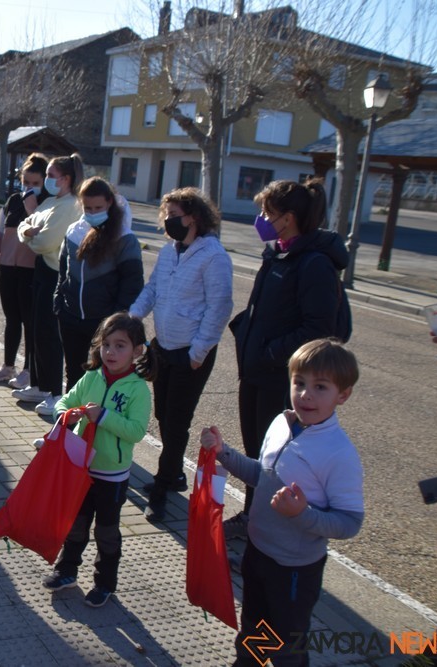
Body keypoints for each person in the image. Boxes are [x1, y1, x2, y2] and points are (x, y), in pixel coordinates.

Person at [201, 338, 363, 666]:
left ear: (342, 395)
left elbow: (349, 522)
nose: (306, 394)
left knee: (288, 646)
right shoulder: (281, 423)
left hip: (294, 569)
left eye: (320, 387)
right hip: (258, 552)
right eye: (299, 383)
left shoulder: (339, 453)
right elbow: (262, 476)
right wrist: (224, 453)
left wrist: (302, 513)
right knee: (254, 630)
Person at [227, 178, 348, 537]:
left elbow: (319, 328)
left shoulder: (313, 264)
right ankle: (251, 516)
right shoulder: (279, 252)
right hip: (255, 372)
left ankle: (264, 530)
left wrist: (270, 352)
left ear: (289, 217)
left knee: (275, 460)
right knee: (256, 452)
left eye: (269, 213)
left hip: (280, 377)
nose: (262, 219)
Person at [130, 187, 233, 522]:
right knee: (163, 415)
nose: (169, 221)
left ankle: (161, 489)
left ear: (195, 217)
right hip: (164, 347)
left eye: (175, 216)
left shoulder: (213, 256)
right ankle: (173, 474)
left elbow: (219, 308)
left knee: (176, 422)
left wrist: (200, 350)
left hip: (192, 354)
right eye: (166, 215)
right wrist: (131, 320)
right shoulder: (168, 252)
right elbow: (153, 289)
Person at [42, 312, 154, 607]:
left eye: (120, 346)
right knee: (75, 523)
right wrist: (66, 415)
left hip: (112, 475)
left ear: (137, 351)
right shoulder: (91, 377)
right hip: (81, 468)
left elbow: (136, 431)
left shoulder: (138, 390)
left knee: (106, 530)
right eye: (106, 345)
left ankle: (105, 582)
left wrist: (103, 416)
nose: (111, 352)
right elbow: (66, 401)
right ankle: (67, 571)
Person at [55, 177, 144, 417]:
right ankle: (67, 431)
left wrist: (112, 324)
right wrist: (59, 305)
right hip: (71, 317)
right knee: (73, 375)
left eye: (98, 208)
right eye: (87, 208)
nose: (92, 213)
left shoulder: (125, 239)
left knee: (98, 379)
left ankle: (94, 431)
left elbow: (132, 285)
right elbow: (63, 274)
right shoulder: (74, 231)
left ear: (110, 205)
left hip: (103, 326)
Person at [15, 154, 84, 416]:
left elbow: (45, 242)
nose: (47, 181)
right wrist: (28, 232)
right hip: (42, 269)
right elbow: (26, 224)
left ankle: (56, 392)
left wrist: (31, 236)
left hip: (56, 271)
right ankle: (40, 385)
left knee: (49, 334)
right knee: (36, 330)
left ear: (66, 179)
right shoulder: (49, 201)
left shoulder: (68, 205)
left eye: (52, 176)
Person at [0, 154, 49, 388]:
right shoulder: (12, 201)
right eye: (26, 182)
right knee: (12, 319)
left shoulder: (47, 205)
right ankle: (7, 366)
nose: (29, 188)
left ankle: (29, 371)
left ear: (44, 183)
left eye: (35, 184)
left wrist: (33, 209)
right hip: (9, 269)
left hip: (33, 271)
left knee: (31, 322)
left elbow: (45, 233)